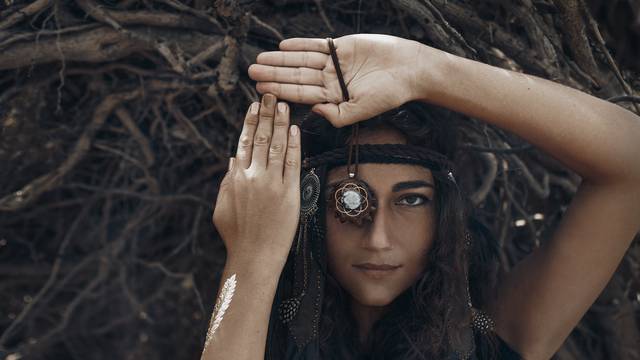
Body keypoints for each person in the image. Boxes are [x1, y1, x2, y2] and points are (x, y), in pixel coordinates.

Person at [201, 34, 640, 359]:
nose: (378, 239)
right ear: (307, 209)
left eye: (411, 200)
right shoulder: (259, 337)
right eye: (349, 201)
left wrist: (426, 71)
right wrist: (252, 256)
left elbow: (632, 161)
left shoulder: (487, 339)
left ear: (445, 214)